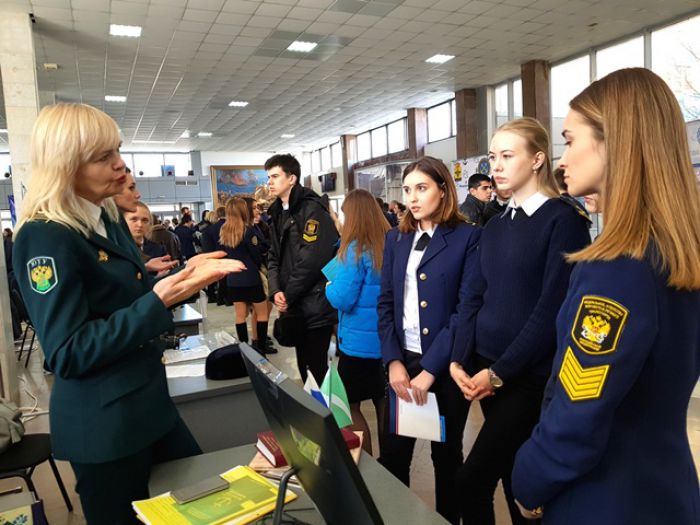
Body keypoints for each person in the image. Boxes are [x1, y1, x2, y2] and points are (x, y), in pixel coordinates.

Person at [11, 103, 245, 524]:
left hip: (147, 404)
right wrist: (160, 301)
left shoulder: (106, 218)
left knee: (203, 503)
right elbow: (68, 351)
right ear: (66, 164)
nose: (121, 166)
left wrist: (180, 279)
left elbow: (127, 296)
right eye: (104, 157)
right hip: (106, 428)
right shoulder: (45, 236)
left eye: (116, 151)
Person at [510, 68, 700, 524]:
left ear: (614, 141)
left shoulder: (616, 269)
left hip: (603, 497)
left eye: (570, 140)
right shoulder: (677, 253)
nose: (561, 160)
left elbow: (578, 409)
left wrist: (529, 479)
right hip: (665, 488)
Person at [449, 117, 591, 525]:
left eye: (507, 156)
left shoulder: (562, 220)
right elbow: (473, 296)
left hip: (528, 379)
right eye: (493, 156)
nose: (496, 165)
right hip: (488, 372)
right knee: (515, 480)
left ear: (538, 160)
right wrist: (461, 359)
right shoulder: (494, 225)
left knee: (471, 482)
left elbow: (551, 311)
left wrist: (498, 373)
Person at [377, 156, 481, 524]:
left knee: (447, 458)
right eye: (407, 190)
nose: (413, 199)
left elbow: (464, 311)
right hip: (402, 362)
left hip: (445, 364)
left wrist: (431, 371)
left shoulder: (467, 238)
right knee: (392, 456)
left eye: (422, 188)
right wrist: (393, 362)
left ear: (443, 189)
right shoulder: (397, 238)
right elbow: (386, 302)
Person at [325, 189, 390, 455]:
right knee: (384, 402)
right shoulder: (393, 241)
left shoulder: (354, 249)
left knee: (349, 405)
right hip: (388, 342)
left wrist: (329, 285)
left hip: (358, 346)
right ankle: (392, 461)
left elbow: (343, 298)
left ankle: (369, 462)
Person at [266, 153, 338, 384]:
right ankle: (318, 419)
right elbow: (273, 256)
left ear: (292, 179)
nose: (270, 182)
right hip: (294, 305)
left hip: (315, 304)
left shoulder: (312, 209)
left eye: (275, 176)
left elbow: (312, 259)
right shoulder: (277, 212)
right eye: (269, 177)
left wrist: (288, 294)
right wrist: (276, 290)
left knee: (318, 368)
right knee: (303, 368)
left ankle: (336, 420)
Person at [218, 197, 270, 353]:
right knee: (262, 314)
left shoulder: (224, 231)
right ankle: (261, 349)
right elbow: (256, 254)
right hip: (251, 278)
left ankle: (243, 348)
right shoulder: (249, 231)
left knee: (240, 315)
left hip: (233, 279)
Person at [124, 201, 168, 272]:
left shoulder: (159, 249)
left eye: (145, 220)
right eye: (134, 219)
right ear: (123, 221)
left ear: (150, 224)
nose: (140, 224)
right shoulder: (117, 248)